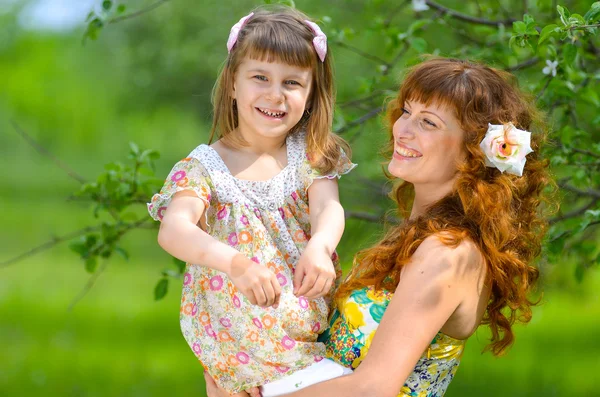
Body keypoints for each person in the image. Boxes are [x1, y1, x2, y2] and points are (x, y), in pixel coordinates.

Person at [205, 57, 555, 397]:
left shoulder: (449, 253)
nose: (403, 130)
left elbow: (372, 388)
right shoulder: (423, 237)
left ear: (472, 154)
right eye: (407, 112)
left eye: (428, 122)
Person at [147, 5, 356, 396]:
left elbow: (328, 207)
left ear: (311, 94)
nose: (275, 95)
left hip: (308, 334)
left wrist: (321, 246)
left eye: (292, 83)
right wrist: (236, 263)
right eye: (260, 77)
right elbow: (174, 230)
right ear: (232, 83)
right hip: (242, 343)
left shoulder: (309, 154)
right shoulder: (205, 167)